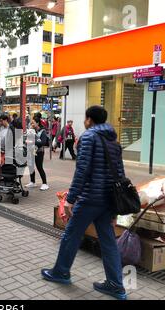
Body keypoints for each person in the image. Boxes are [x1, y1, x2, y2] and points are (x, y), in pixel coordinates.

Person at [41, 106, 127, 300]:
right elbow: (120, 174)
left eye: (85, 118)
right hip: (108, 200)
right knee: (108, 242)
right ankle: (116, 285)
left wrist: (70, 198)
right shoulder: (113, 140)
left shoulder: (88, 137)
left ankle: (61, 272)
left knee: (71, 235)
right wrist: (115, 210)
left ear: (89, 119)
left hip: (89, 199)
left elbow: (82, 171)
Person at [25, 117, 49, 191]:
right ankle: (32, 182)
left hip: (39, 152)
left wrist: (32, 142)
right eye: (31, 123)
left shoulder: (42, 131)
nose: (31, 124)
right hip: (31, 151)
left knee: (39, 167)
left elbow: (43, 142)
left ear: (37, 123)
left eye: (33, 123)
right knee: (31, 166)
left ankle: (45, 183)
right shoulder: (32, 130)